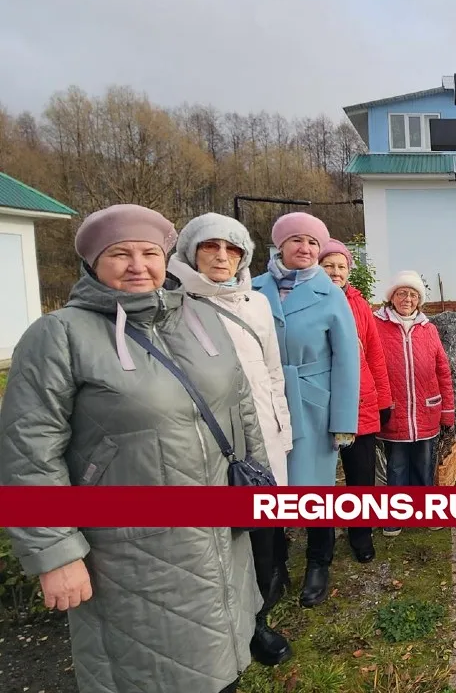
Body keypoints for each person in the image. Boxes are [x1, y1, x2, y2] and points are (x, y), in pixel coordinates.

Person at [0, 204, 269, 693]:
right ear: (92, 263)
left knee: (222, 658)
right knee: (151, 673)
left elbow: (241, 407)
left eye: (149, 253)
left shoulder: (201, 318)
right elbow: (28, 451)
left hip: (219, 536)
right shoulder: (60, 335)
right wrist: (55, 552)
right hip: (131, 551)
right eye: (120, 254)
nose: (137, 266)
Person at [168, 212, 293, 665]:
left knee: (265, 526)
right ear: (191, 252)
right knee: (225, 535)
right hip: (215, 438)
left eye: (232, 248)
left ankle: (260, 614)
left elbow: (272, 369)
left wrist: (282, 428)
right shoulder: (174, 303)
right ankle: (230, 625)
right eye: (211, 246)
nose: (222, 256)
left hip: (264, 431)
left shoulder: (256, 302)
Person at [252, 212, 361, 608]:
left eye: (313, 242)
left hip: (313, 403)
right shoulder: (253, 288)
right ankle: (275, 565)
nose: (305, 247)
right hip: (264, 403)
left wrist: (343, 421)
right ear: (279, 244)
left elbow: (347, 360)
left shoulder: (330, 294)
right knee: (268, 486)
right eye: (296, 239)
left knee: (317, 488)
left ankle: (319, 561)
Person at [319, 238, 393, 561]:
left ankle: (360, 536)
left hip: (358, 404)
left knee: (360, 476)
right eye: (328, 266)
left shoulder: (360, 305)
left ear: (349, 270)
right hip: (320, 403)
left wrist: (383, 400)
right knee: (320, 479)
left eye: (341, 266)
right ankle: (321, 542)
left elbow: (375, 354)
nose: (335, 272)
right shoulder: (306, 301)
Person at [374, 271, 455, 536]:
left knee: (424, 465)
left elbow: (443, 371)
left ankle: (427, 511)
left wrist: (448, 410)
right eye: (401, 293)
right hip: (394, 412)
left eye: (412, 294)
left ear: (419, 300)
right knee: (396, 465)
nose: (407, 299)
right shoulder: (377, 326)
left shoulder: (428, 329)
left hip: (425, 411)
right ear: (392, 297)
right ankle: (396, 515)